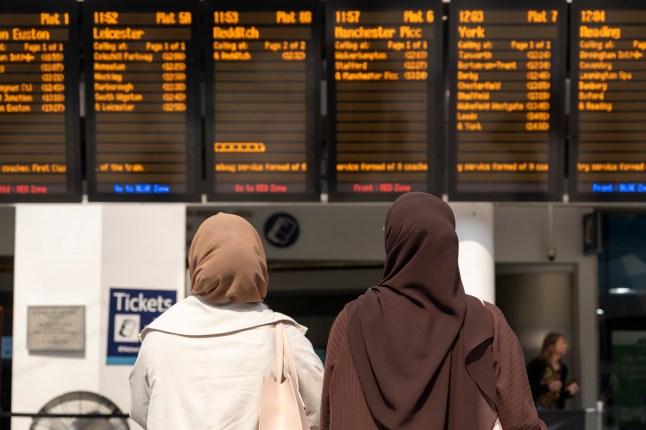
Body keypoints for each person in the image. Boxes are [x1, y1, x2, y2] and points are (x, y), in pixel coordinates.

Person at [320, 192, 546, 430]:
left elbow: (328, 415)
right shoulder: (485, 322)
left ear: (393, 241)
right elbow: (521, 422)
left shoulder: (351, 320)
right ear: (450, 242)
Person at [130, 213, 324, 430]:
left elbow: (142, 409)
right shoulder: (282, 335)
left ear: (197, 260)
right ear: (258, 263)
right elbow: (321, 407)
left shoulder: (158, 336)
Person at [527, 332, 580, 410]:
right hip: (537, 411)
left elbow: (560, 395)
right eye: (562, 343)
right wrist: (547, 387)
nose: (566, 346)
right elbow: (526, 388)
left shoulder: (563, 368)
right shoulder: (537, 364)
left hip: (556, 412)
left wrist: (569, 391)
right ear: (551, 347)